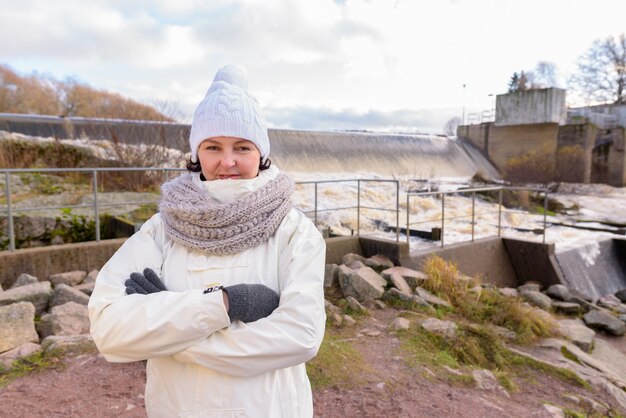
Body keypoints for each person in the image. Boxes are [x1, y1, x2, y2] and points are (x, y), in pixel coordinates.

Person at [88, 65, 327, 418]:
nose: (226, 161)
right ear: (196, 152)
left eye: (242, 147)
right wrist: (225, 305)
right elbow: (109, 330)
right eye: (213, 146)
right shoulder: (161, 229)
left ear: (260, 154)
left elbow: (301, 335)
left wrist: (169, 333)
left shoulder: (293, 230)